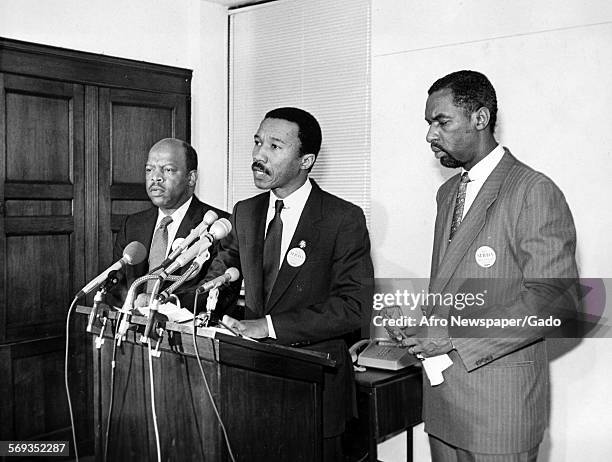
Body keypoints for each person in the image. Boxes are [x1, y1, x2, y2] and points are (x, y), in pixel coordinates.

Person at [402, 70, 579, 461]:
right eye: (429, 123)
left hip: (499, 411)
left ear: (480, 119)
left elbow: (555, 301)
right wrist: (422, 324)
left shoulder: (533, 191)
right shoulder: (448, 192)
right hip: (443, 401)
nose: (430, 135)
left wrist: (453, 336)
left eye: (441, 122)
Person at [205, 107, 374, 461]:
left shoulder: (343, 218)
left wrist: (267, 327)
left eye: (275, 146)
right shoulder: (244, 212)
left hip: (315, 388)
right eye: (257, 142)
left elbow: (353, 307)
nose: (258, 155)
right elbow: (221, 274)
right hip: (249, 386)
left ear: (306, 160)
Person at [112, 138, 230, 310]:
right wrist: (131, 303)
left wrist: (165, 303)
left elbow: (218, 287)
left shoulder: (219, 226)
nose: (156, 177)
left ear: (191, 178)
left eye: (167, 170)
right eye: (149, 169)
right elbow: (117, 282)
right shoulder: (133, 225)